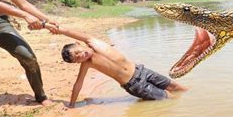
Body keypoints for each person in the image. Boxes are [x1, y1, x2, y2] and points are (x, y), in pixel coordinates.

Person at [46, 25, 187, 108]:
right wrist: (71, 105)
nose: (81, 55)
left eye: (78, 52)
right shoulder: (86, 64)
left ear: (78, 43)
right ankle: (187, 113)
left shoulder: (93, 42)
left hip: (142, 71)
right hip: (135, 85)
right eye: (77, 59)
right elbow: (78, 84)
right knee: (168, 97)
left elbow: (70, 32)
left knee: (176, 87)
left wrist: (57, 29)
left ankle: (195, 102)